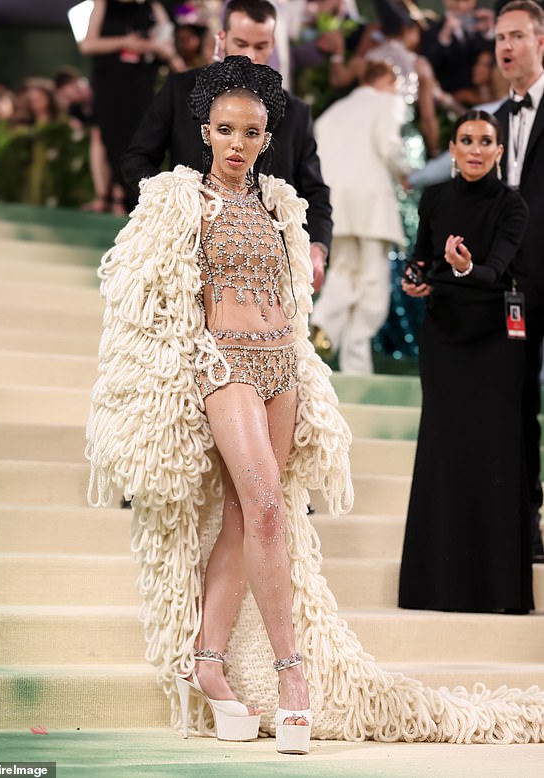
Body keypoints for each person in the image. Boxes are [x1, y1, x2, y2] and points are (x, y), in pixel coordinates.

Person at [87, 57, 544, 750]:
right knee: (267, 504)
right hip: (223, 365)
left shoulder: (279, 203)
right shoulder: (180, 201)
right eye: (225, 131)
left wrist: (299, 362)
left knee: (250, 514)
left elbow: (296, 306)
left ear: (267, 136)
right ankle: (289, 668)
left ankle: (207, 663)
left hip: (282, 367)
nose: (237, 143)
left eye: (251, 131)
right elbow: (139, 296)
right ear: (206, 133)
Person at [398, 110, 532, 613]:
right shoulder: (434, 198)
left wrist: (465, 265)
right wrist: (416, 276)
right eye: (466, 140)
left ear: (499, 152)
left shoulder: (512, 206)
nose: (476, 149)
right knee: (443, 452)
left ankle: (496, 590)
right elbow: (421, 257)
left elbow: (496, 268)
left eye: (486, 141)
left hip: (495, 340)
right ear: (452, 149)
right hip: (445, 337)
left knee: (494, 455)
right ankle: (434, 586)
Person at [121, 0, 332, 292]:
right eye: (241, 43)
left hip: (266, 268)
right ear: (222, 38)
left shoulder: (295, 112)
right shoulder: (180, 90)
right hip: (188, 254)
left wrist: (317, 248)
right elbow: (137, 160)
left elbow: (315, 192)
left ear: (272, 44)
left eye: (260, 46)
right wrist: (173, 199)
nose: (250, 55)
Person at [310, 60, 410, 373]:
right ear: (385, 81)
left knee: (343, 270)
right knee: (373, 280)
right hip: (371, 201)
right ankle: (346, 342)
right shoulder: (388, 102)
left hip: (336, 202)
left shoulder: (333, 111)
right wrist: (404, 174)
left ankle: (325, 326)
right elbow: (389, 145)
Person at [493, 0, 544, 563]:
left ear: (540, 42)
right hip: (515, 291)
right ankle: (527, 524)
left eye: (516, 36)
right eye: (499, 39)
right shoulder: (494, 123)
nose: (506, 47)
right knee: (519, 403)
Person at [79, 0, 186, 214]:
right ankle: (103, 196)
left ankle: (124, 196)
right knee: (104, 134)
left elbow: (167, 47)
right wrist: (125, 42)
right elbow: (87, 44)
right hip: (109, 81)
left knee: (135, 136)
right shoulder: (103, 4)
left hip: (140, 81)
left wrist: (153, 48)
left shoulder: (153, 7)